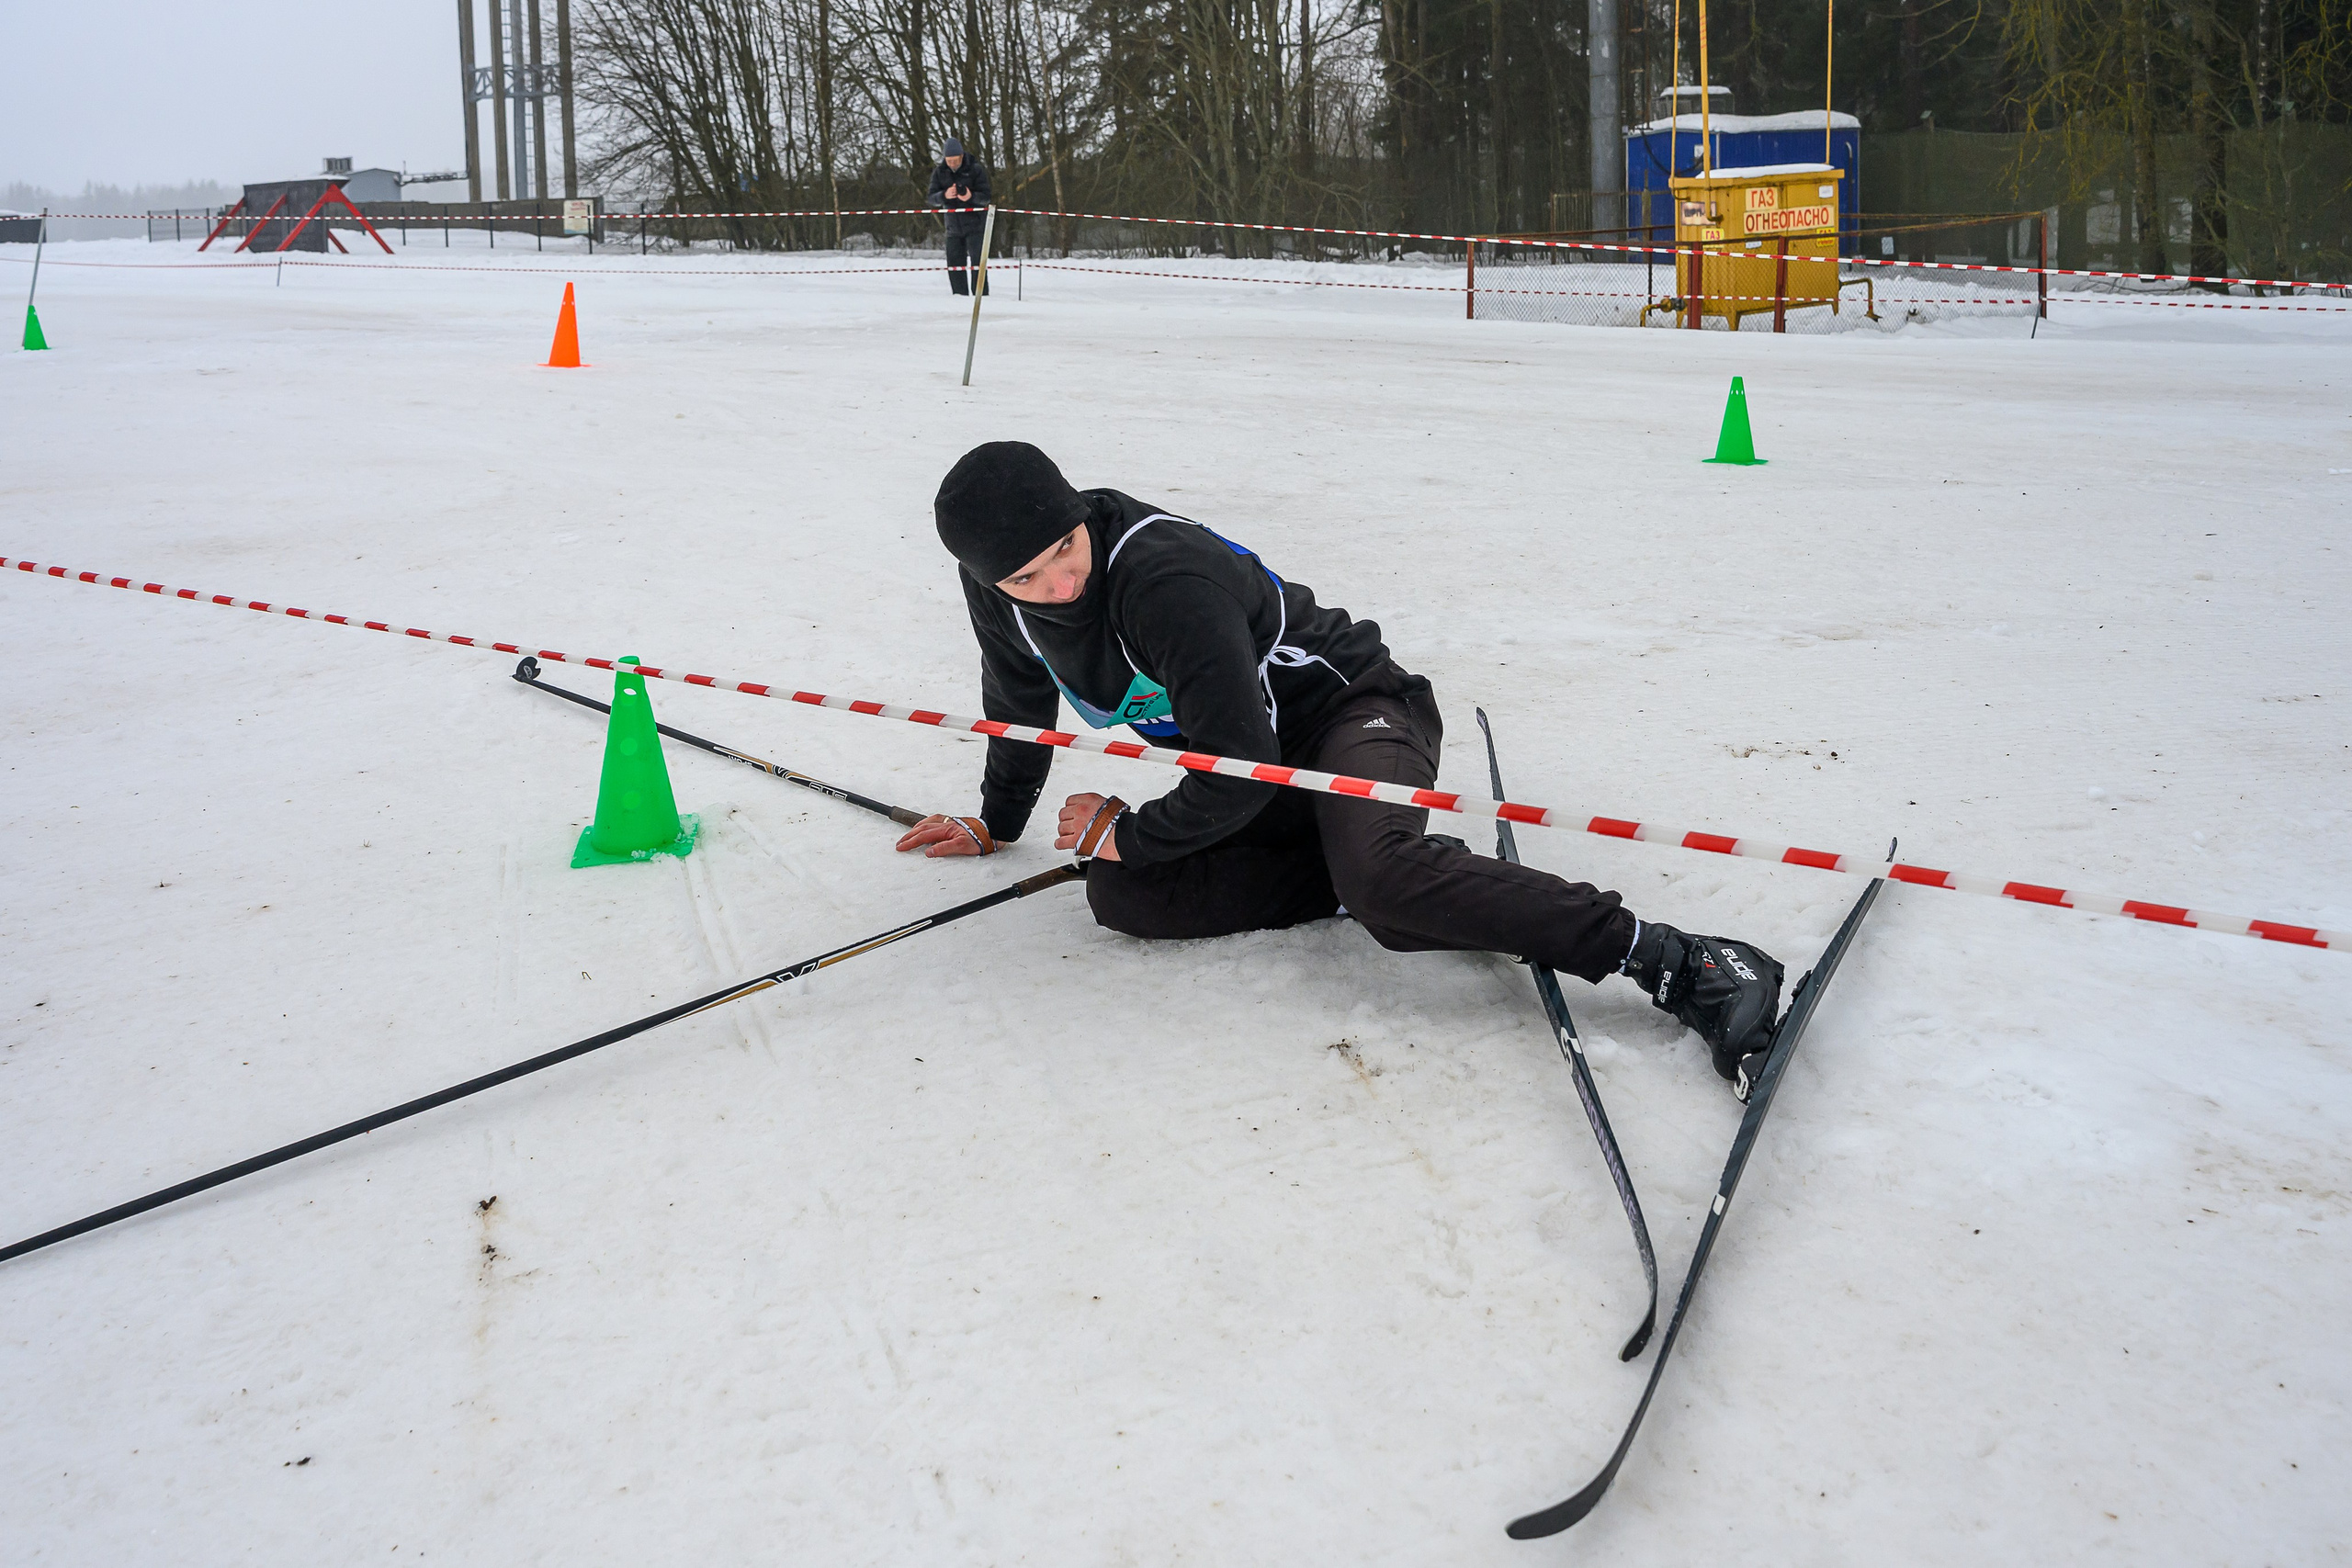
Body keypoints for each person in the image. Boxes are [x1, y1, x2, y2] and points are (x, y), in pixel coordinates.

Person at [896, 442, 1790, 1094]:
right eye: (1027, 580)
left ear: (1078, 516)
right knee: (1122, 895)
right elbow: (1017, 700)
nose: (1057, 585)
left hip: (1355, 717)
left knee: (1385, 883)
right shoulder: (998, 593)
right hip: (1261, 773)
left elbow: (1237, 770)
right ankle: (1357, 869)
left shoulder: (1162, 581)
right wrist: (997, 821)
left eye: (1065, 553)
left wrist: (1129, 828)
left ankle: (1682, 961)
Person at [926, 138, 993, 297]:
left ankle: (981, 297)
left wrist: (970, 196)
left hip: (975, 225)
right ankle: (959, 297)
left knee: (978, 264)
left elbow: (986, 198)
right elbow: (930, 198)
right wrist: (944, 195)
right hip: (953, 228)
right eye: (949, 161)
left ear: (962, 156)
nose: (952, 164)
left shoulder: (976, 170)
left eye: (955, 160)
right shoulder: (939, 172)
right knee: (955, 265)